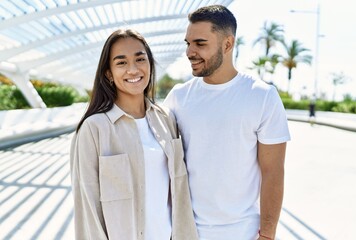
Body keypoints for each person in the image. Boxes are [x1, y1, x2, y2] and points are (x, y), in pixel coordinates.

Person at [163, 5, 291, 240]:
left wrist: (268, 235)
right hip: (186, 231)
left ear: (227, 44)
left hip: (243, 232)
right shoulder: (178, 97)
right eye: (187, 43)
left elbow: (273, 171)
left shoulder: (261, 96)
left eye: (200, 44)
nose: (190, 52)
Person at [70, 29, 198, 240]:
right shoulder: (94, 128)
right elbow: (88, 207)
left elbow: (179, 190)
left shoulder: (166, 119)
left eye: (140, 59)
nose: (133, 69)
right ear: (108, 73)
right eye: (121, 63)